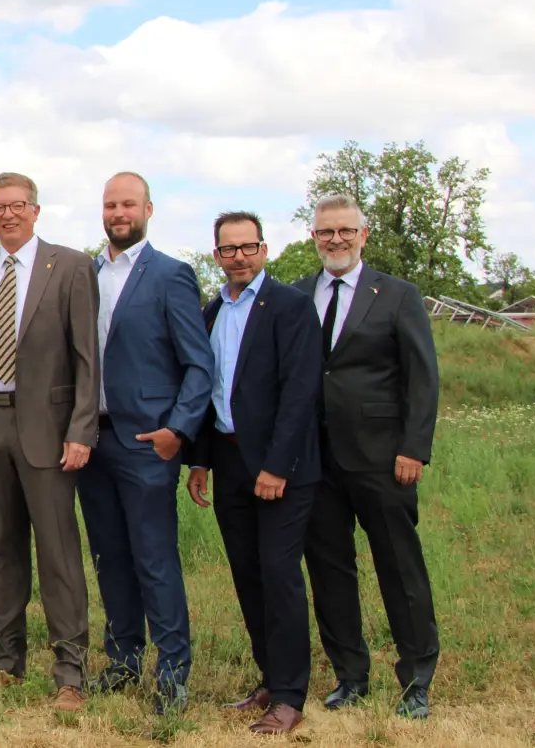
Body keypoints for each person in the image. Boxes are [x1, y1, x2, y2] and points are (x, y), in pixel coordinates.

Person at [0, 172, 99, 712]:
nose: (6, 215)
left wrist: (81, 430)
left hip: (49, 432)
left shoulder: (71, 266)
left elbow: (87, 358)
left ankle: (70, 673)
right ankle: (3, 664)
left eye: (16, 206)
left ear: (35, 210)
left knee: (57, 550)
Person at [297, 194, 441, 719]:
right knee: (330, 572)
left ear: (363, 234)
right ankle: (350, 675)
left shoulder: (397, 295)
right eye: (324, 233)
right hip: (316, 462)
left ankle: (417, 677)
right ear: (313, 237)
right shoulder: (298, 294)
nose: (335, 240)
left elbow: (422, 378)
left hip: (383, 459)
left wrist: (413, 448)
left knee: (400, 569)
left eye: (344, 232)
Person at [77, 173, 214, 713]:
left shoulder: (171, 275)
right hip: (93, 440)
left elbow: (199, 365)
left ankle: (174, 669)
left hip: (146, 441)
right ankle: (124, 657)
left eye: (128, 203)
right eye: (110, 203)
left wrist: (177, 430)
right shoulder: (85, 274)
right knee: (110, 556)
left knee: (154, 558)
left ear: (149, 209)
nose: (118, 212)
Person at [187, 211, 322, 736]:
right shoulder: (213, 309)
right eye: (228, 249)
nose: (239, 256)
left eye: (248, 247)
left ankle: (290, 697)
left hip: (279, 468)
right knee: (248, 574)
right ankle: (270, 677)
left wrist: (276, 466)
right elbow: (206, 390)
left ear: (264, 249)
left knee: (280, 575)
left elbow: (300, 393)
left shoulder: (290, 306)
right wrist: (199, 460)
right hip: (228, 460)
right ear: (216, 255)